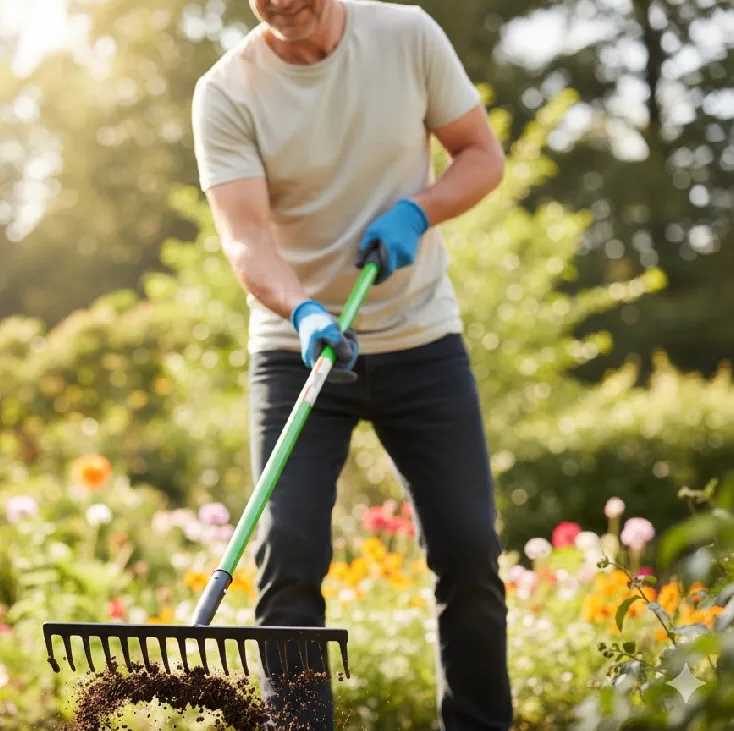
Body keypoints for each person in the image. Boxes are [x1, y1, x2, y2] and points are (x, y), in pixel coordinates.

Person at [190, 0, 512, 728]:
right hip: (298, 347)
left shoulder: (405, 36)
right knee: (289, 560)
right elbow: (245, 239)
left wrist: (418, 210)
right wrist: (301, 310)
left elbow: (482, 155)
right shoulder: (226, 90)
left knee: (468, 553)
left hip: (419, 335)